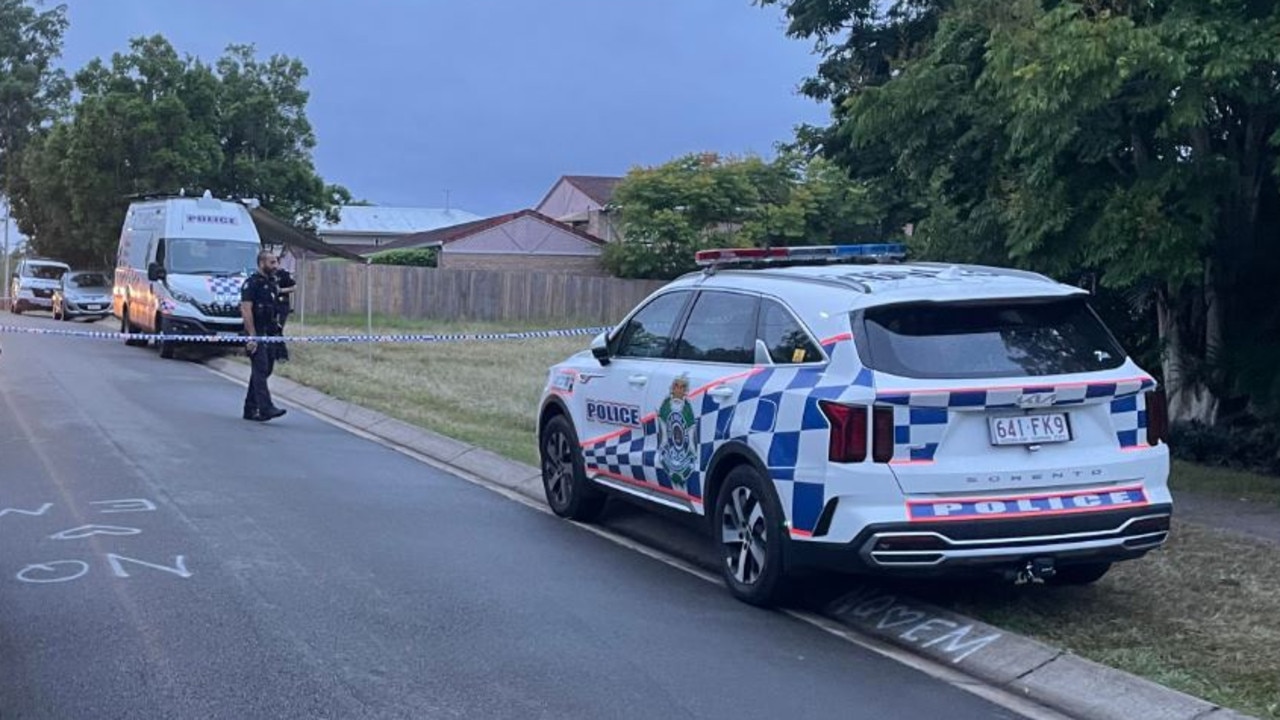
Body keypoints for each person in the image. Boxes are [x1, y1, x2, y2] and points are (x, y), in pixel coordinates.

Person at [239, 250, 287, 422]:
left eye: (276, 262)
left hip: (270, 332)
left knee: (266, 370)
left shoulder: (273, 283)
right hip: (256, 331)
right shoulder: (251, 284)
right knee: (260, 368)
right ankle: (265, 408)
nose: (276, 266)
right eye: (272, 263)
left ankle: (249, 408)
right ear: (261, 263)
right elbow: (246, 309)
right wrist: (251, 336)